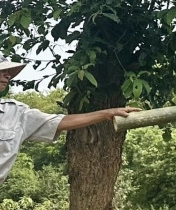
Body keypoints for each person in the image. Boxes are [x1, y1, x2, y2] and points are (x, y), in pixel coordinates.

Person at [0, 58, 140, 182]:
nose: (8, 75)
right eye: (2, 70)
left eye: (8, 71)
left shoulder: (16, 113)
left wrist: (107, 113)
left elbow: (59, 122)